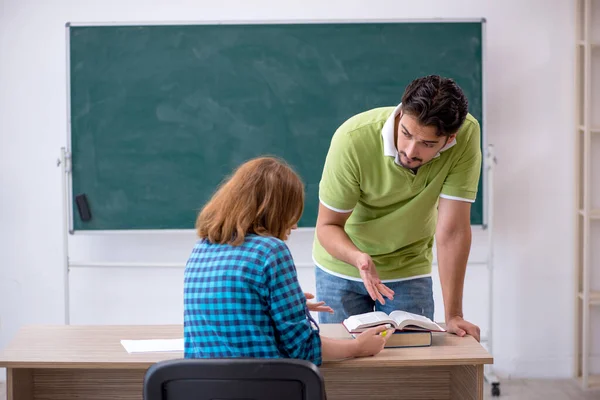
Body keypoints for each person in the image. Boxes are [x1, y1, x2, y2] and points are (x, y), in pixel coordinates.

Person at [313, 75, 482, 341]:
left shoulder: (466, 135)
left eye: (427, 144)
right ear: (400, 113)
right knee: (344, 372)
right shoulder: (353, 139)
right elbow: (327, 226)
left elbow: (452, 230)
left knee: (410, 365)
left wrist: (454, 315)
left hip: (408, 265)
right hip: (343, 265)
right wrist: (359, 258)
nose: (411, 151)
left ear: (450, 138)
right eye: (406, 134)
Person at [183, 156, 392, 366]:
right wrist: (358, 347)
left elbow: (233, 313)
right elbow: (302, 348)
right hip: (260, 387)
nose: (294, 226)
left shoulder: (200, 250)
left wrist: (279, 303)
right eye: (292, 213)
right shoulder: (270, 250)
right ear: (276, 211)